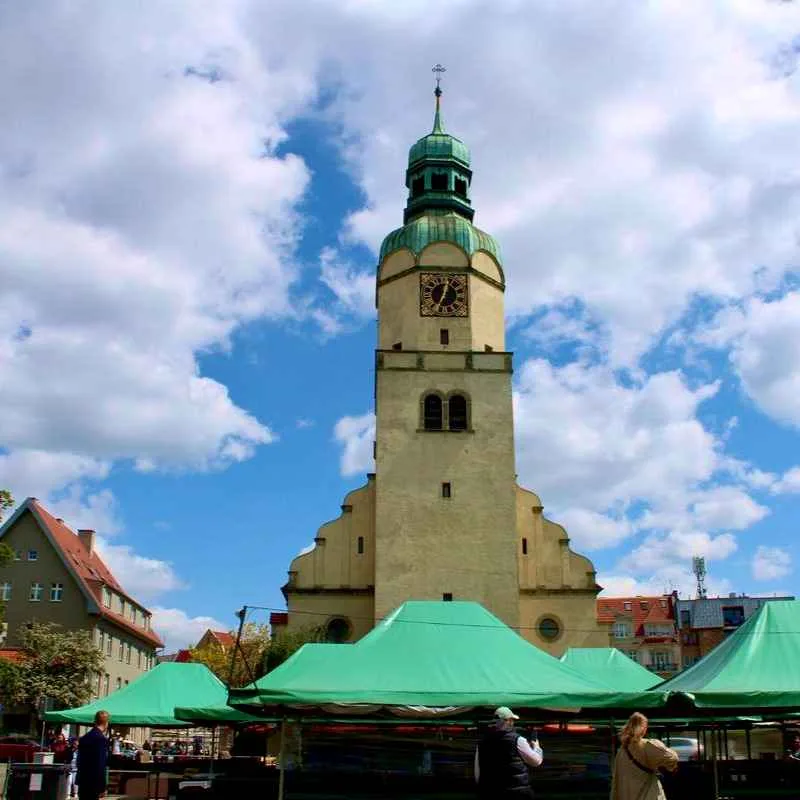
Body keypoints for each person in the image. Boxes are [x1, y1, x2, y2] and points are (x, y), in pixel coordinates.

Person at [475, 706, 543, 799]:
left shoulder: (482, 743)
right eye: (512, 720)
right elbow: (536, 761)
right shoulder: (518, 740)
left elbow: (477, 774)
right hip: (516, 794)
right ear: (508, 721)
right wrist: (536, 747)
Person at [610, 712, 678, 800]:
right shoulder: (648, 745)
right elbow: (672, 758)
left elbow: (616, 782)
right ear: (644, 729)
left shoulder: (621, 751)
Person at [77, 710, 110, 800]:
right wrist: (102, 786)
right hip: (94, 782)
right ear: (106, 723)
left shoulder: (84, 738)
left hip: (83, 780)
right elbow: (100, 764)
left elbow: (79, 761)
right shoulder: (101, 739)